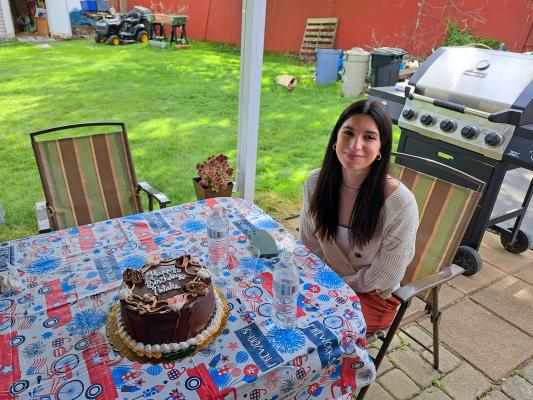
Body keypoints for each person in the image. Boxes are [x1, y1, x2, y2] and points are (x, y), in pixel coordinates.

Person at [300, 99, 419, 333]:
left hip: (374, 299)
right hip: (322, 283)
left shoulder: (400, 203)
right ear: (335, 139)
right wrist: (322, 284)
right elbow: (309, 246)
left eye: (369, 137)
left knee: (306, 324)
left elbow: (384, 278)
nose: (355, 145)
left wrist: (330, 285)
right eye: (349, 133)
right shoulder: (315, 183)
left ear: (381, 149)